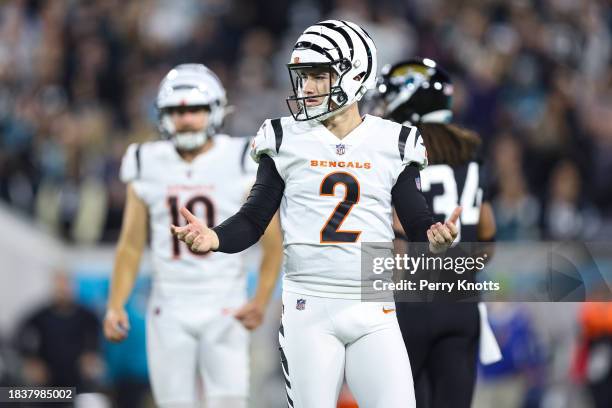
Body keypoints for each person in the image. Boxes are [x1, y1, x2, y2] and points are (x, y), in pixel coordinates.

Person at [172, 21, 460, 408]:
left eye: (318, 76)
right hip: (309, 305)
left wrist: (434, 236)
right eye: (303, 77)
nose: (306, 87)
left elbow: (415, 220)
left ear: (355, 74)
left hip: (373, 304)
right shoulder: (284, 136)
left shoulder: (394, 141)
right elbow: (255, 218)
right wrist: (216, 238)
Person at [103, 64, 283, 408]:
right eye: (177, 110)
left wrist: (260, 299)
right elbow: (129, 245)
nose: (186, 119)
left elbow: (273, 241)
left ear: (215, 110)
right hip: (168, 305)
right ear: (163, 115)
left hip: (225, 303)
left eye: (195, 109)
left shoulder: (242, 155)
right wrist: (115, 305)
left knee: (230, 402)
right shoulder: (145, 160)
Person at [370, 57, 500, 408]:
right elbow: (486, 237)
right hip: (462, 300)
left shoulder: (396, 149)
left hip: (411, 301)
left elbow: (397, 240)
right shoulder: (469, 150)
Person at [16, 271, 102, 391]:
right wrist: (31, 360)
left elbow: (98, 333)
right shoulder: (41, 315)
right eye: (59, 286)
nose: (63, 290)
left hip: (78, 376)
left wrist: (91, 353)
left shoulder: (86, 315)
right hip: (48, 377)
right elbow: (20, 333)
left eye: (66, 285)